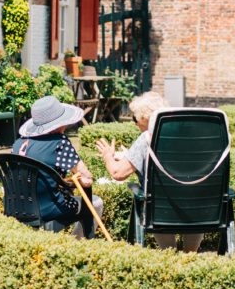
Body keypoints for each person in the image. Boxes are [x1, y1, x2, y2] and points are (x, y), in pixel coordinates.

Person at [95, 91, 203, 252]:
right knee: (189, 253)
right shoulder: (193, 137)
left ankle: (170, 254)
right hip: (198, 209)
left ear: (146, 118)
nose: (134, 123)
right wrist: (131, 156)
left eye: (134, 118)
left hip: (162, 209)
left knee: (168, 250)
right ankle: (190, 254)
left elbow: (118, 173)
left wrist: (108, 156)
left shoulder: (147, 138)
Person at [12, 96, 103, 239]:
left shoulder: (18, 143)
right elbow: (86, 179)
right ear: (59, 123)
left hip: (17, 207)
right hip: (47, 208)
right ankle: (77, 244)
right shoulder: (59, 143)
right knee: (96, 202)